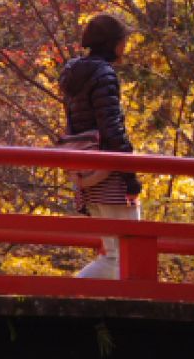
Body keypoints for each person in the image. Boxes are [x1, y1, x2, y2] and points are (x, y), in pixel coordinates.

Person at [60, 14, 141, 280]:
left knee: (115, 254)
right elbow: (112, 130)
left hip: (87, 171)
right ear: (114, 44)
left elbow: (73, 126)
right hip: (110, 176)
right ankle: (69, 294)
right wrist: (130, 177)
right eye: (123, 40)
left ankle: (92, 303)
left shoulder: (73, 73)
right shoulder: (104, 74)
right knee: (126, 256)